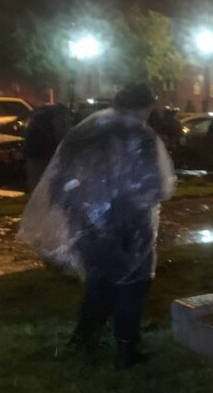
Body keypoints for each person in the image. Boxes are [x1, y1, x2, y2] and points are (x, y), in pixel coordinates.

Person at [18, 82, 176, 369]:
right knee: (133, 283)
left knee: (100, 279)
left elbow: (60, 172)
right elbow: (154, 185)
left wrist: (72, 206)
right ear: (145, 106)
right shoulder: (141, 135)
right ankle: (126, 348)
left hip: (85, 219)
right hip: (129, 221)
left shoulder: (87, 128)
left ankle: (84, 339)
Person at [23, 103, 73, 193]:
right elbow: (61, 134)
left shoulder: (36, 116)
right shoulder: (59, 115)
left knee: (36, 180)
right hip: (48, 153)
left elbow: (26, 133)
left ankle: (37, 197)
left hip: (33, 153)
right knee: (50, 181)